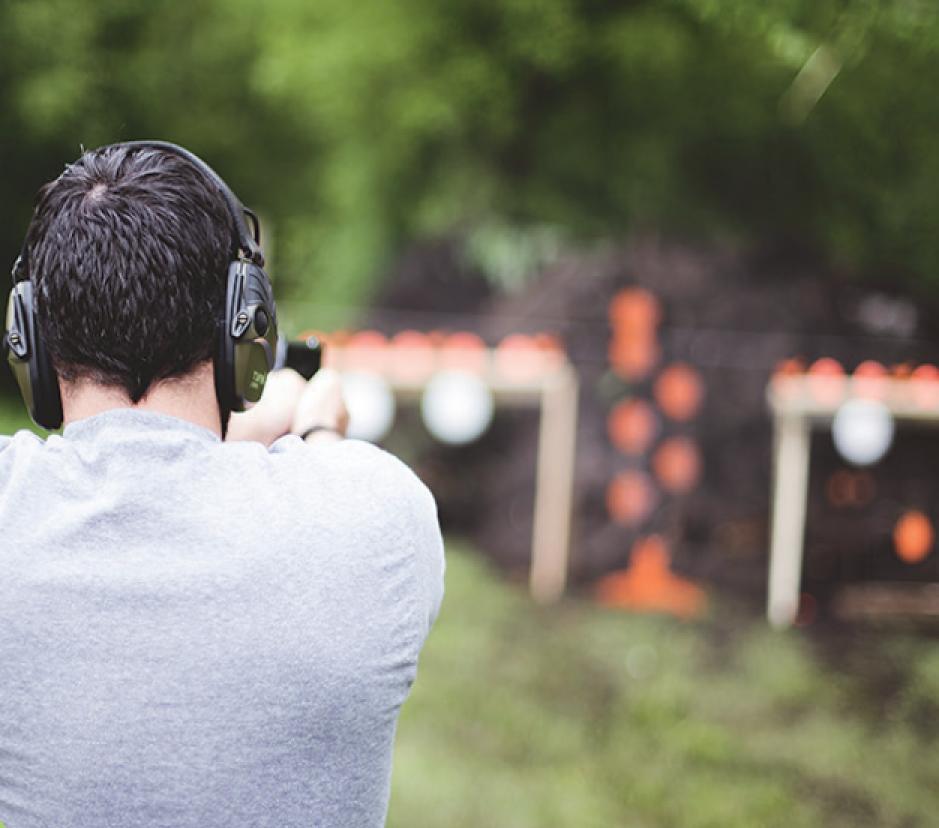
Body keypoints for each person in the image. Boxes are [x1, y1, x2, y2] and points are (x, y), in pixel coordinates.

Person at [0, 142, 445, 828]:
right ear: (245, 332)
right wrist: (313, 427)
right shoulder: (380, 516)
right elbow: (291, 474)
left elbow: (143, 466)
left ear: (28, 338)